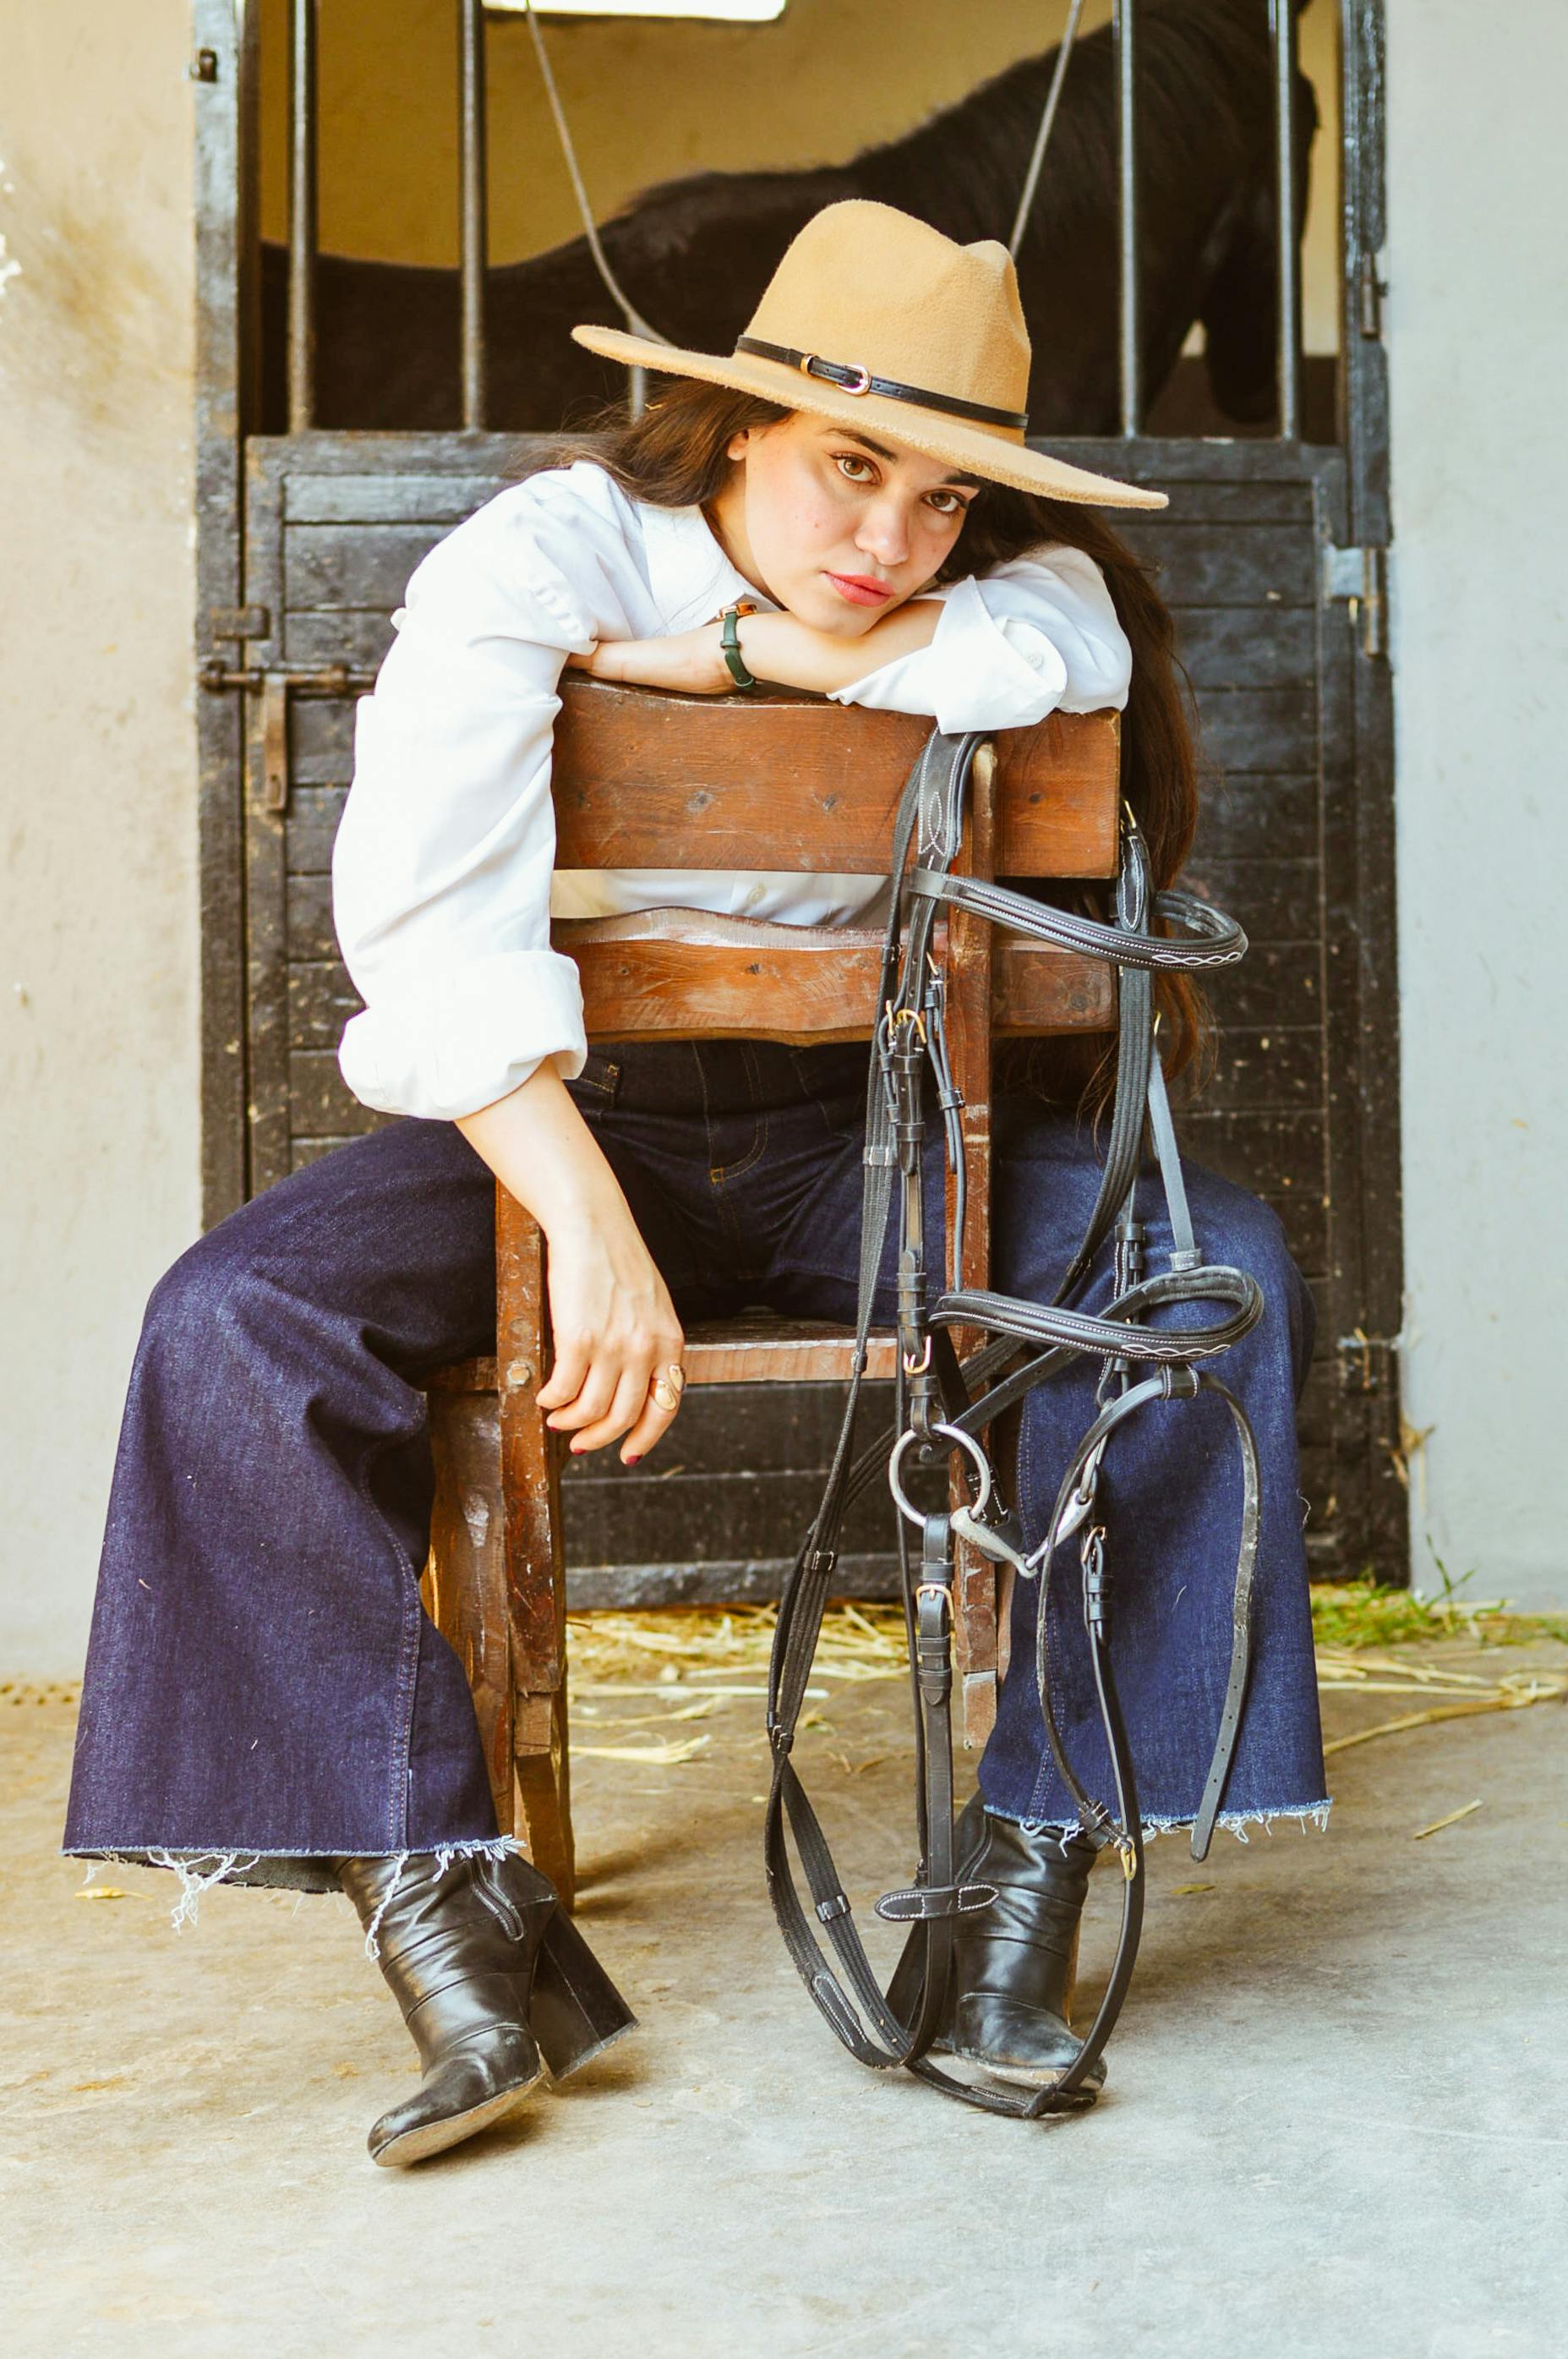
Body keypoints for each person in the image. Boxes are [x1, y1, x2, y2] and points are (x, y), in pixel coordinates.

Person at [64, 201, 1328, 2165]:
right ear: (736, 427)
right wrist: (586, 1224)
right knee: (228, 1326)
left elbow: (1066, 625)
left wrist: (744, 654)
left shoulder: (1011, 581)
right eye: (851, 466)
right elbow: (425, 924)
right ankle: (453, 1914)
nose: (892, 537)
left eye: (940, 497)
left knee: (1202, 1272)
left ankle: (1020, 1877)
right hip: (568, 1119)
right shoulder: (548, 551)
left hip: (875, 1129)